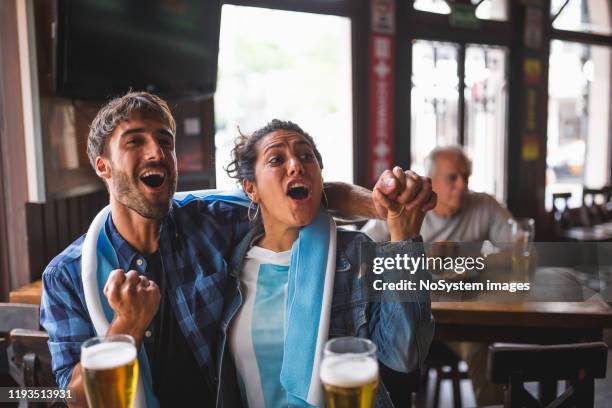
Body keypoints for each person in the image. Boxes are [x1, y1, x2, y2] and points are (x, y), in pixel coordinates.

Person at [39, 92, 412, 407]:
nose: (157, 152)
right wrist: (127, 328)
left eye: (165, 141)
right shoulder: (69, 274)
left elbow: (294, 194)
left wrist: (382, 205)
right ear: (102, 166)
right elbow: (70, 397)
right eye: (135, 141)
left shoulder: (210, 220)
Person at [215, 120, 436, 407]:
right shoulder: (226, 266)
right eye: (276, 159)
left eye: (306, 156)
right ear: (251, 189)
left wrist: (403, 237)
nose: (296, 165)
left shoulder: (356, 254)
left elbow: (403, 355)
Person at [363, 145, 512, 406]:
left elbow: (519, 252)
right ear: (430, 179)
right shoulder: (404, 207)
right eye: (452, 177)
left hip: (461, 318)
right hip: (409, 316)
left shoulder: (484, 204)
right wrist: (417, 257)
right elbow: (361, 254)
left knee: (483, 349)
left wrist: (469, 257)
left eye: (466, 177)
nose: (461, 185)